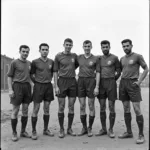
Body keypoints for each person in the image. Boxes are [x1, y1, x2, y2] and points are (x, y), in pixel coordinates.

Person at [118, 39, 149, 144]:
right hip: (123, 84)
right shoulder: (122, 59)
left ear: (131, 45)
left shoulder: (137, 56)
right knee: (126, 108)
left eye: (127, 46)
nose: (125, 48)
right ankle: (128, 132)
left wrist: (139, 81)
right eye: (124, 46)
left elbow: (146, 69)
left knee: (136, 109)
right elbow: (121, 71)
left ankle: (141, 135)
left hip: (133, 84)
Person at [95, 40, 121, 138]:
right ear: (101, 48)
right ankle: (103, 128)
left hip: (111, 83)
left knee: (111, 107)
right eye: (103, 47)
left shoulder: (114, 58)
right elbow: (97, 71)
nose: (105, 49)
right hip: (101, 84)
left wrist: (114, 79)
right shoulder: (99, 59)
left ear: (109, 47)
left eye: (106, 47)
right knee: (102, 107)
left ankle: (111, 129)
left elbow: (119, 70)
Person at [53, 38, 78, 138]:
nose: (68, 46)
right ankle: (61, 129)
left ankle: (69, 128)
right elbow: (55, 71)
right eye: (66, 44)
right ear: (63, 45)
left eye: (70, 45)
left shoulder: (74, 56)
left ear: (72, 46)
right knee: (61, 106)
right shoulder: (58, 56)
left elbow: (75, 65)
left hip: (72, 81)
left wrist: (69, 70)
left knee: (71, 106)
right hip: (62, 81)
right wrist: (56, 86)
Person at [7, 45, 32, 141]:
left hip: (27, 87)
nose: (25, 53)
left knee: (25, 110)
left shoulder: (29, 63)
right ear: (20, 52)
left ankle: (23, 131)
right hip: (17, 86)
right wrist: (10, 89)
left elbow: (29, 76)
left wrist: (32, 85)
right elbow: (9, 76)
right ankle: (14, 132)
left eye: (27, 52)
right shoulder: (14, 62)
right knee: (15, 110)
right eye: (23, 51)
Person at [30, 43, 54, 140]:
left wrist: (48, 80)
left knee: (47, 108)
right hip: (38, 86)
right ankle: (34, 131)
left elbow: (52, 73)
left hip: (48, 86)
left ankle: (45, 129)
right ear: (39, 50)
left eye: (46, 49)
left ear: (48, 50)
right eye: (43, 49)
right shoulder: (35, 62)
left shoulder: (51, 62)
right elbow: (31, 74)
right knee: (36, 109)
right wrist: (37, 82)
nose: (44, 51)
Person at [77, 40, 100, 137]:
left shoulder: (95, 58)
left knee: (91, 105)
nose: (87, 48)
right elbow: (70, 65)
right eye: (85, 46)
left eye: (88, 46)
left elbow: (98, 72)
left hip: (91, 82)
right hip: (81, 82)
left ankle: (90, 127)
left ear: (91, 47)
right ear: (83, 47)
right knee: (82, 106)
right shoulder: (78, 57)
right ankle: (84, 127)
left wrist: (97, 87)